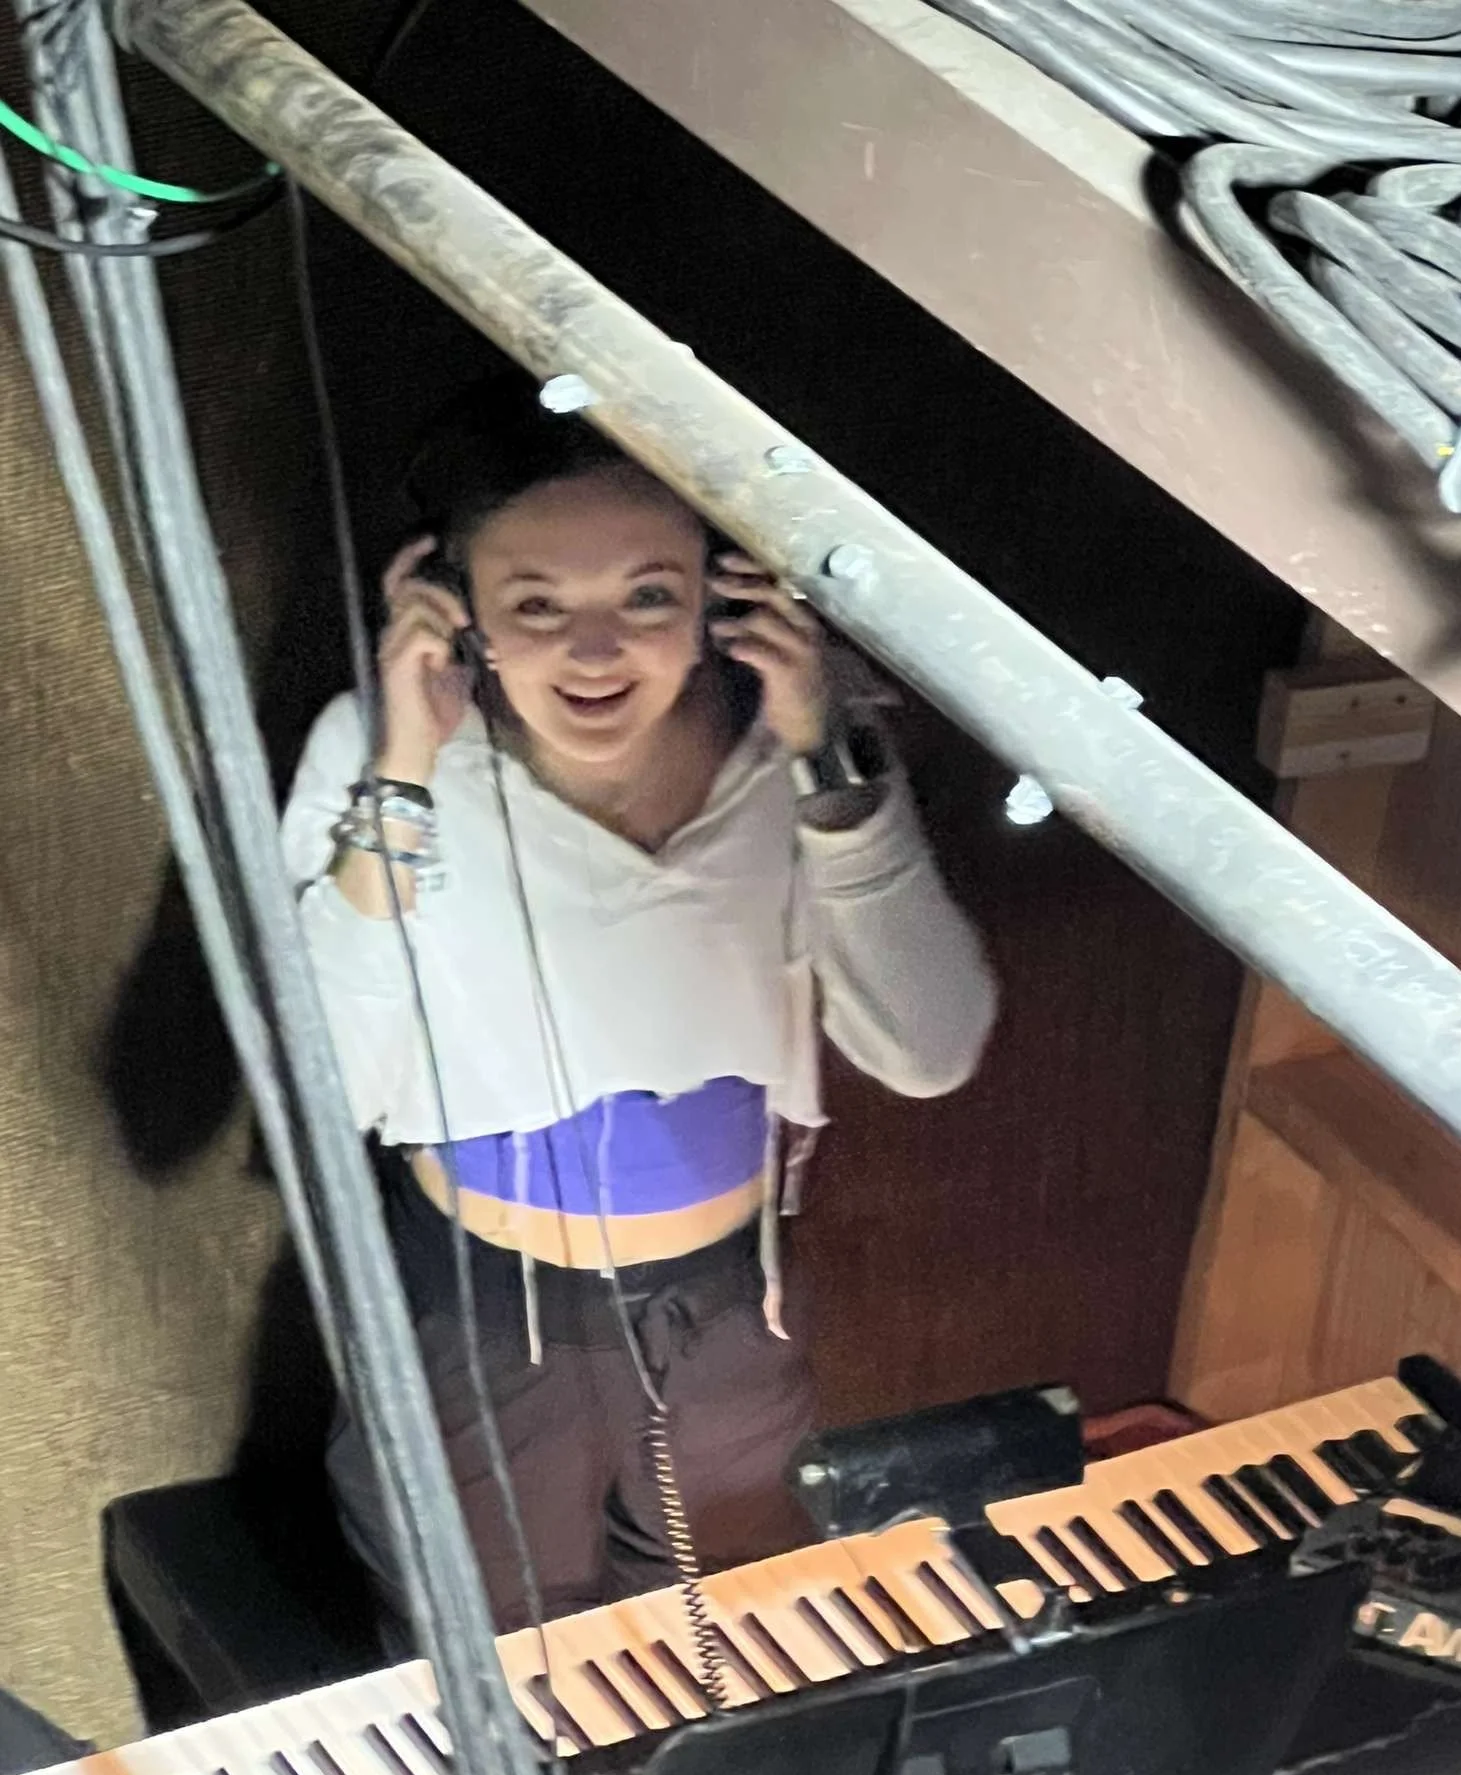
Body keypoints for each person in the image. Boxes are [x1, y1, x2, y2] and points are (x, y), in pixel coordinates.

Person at [281, 376, 996, 1640]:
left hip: (728, 1303)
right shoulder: (386, 750)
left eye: (647, 597)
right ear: (459, 613)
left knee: (722, 1636)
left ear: (721, 602)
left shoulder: (797, 752)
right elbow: (324, 1085)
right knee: (497, 1656)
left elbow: (932, 1050)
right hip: (486, 1312)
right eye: (536, 606)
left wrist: (824, 760)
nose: (595, 652)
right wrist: (400, 769)